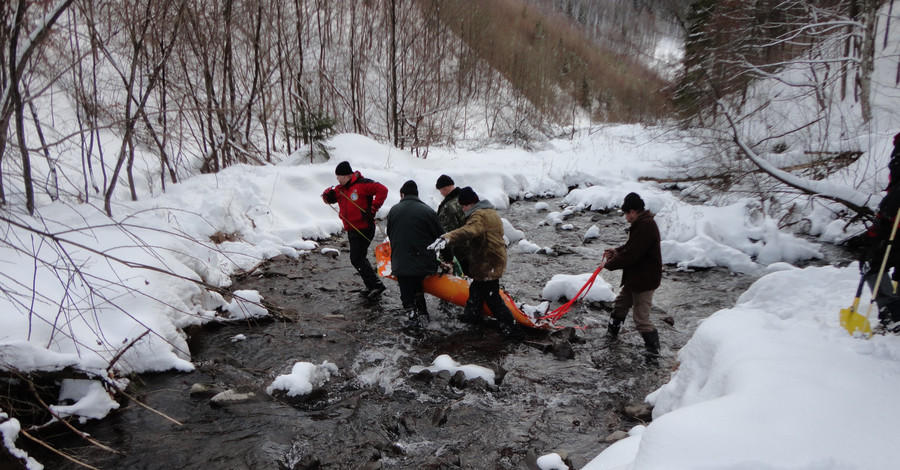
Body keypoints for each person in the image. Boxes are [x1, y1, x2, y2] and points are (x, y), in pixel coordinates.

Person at [430, 187, 521, 341]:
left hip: (488, 263)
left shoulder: (479, 216)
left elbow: (469, 231)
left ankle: (513, 331)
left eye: (463, 206)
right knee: (476, 289)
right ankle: (471, 316)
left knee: (493, 299)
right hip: (491, 260)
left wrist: (447, 238)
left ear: (470, 204)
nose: (463, 210)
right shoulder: (490, 212)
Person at [599, 192, 663, 356]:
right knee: (620, 306)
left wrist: (608, 265)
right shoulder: (642, 223)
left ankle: (654, 354)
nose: (626, 217)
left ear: (633, 211)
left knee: (641, 320)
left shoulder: (646, 225)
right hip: (635, 278)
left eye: (627, 213)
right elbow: (631, 246)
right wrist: (616, 250)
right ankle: (611, 337)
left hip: (645, 281)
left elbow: (632, 255)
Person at [321, 161, 388, 299]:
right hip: (352, 229)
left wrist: (374, 208)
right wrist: (326, 196)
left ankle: (376, 285)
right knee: (359, 258)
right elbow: (328, 199)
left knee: (356, 258)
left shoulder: (362, 184)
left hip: (364, 227)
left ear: (346, 176)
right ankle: (372, 284)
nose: (337, 179)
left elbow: (383, 190)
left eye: (338, 176)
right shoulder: (340, 189)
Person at [386, 180, 445, 332]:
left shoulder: (393, 210)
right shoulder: (427, 211)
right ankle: (424, 316)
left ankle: (413, 319)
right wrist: (448, 259)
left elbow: (390, 234)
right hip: (423, 261)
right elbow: (441, 238)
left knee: (407, 291)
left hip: (401, 262)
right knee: (418, 286)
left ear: (402, 194)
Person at [864, 131, 900, 329]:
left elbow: (893, 199)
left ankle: (893, 313)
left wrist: (880, 223)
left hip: (895, 226)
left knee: (872, 262)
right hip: (893, 222)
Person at [435, 174, 470, 275]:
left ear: (444, 188)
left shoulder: (448, 208)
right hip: (473, 250)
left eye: (440, 190)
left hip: (460, 254)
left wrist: (444, 259)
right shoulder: (466, 200)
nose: (441, 194)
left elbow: (446, 233)